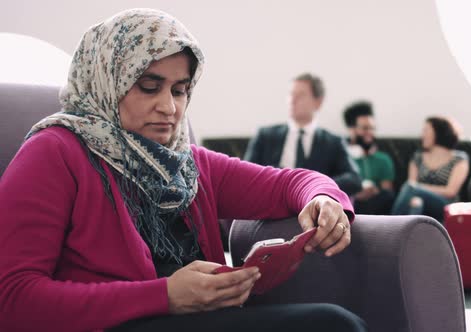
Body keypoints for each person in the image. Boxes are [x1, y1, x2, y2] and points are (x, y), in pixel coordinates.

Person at [0, 9, 367, 332]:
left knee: (335, 322)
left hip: (199, 320)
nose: (169, 108)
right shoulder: (55, 151)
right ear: (107, 82)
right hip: (113, 325)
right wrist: (164, 297)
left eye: (179, 90)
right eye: (148, 87)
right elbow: (11, 299)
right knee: (333, 324)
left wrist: (323, 199)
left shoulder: (187, 164)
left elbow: (292, 182)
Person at [244, 73, 362, 196]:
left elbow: (354, 180)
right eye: (291, 94)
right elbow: (246, 175)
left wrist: (317, 184)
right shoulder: (265, 136)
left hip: (312, 204)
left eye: (300, 95)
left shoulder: (333, 142)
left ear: (318, 102)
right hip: (271, 202)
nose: (292, 100)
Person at [391, 116, 469, 223]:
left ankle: (390, 226)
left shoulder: (459, 159)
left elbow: (451, 191)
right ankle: (408, 237)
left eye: (426, 130)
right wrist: (417, 189)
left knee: (411, 188)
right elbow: (412, 184)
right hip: (420, 199)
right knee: (416, 202)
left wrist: (419, 188)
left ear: (438, 132)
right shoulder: (417, 157)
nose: (422, 135)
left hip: (445, 203)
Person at [343, 101, 395, 215]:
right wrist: (356, 195)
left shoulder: (383, 159)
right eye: (365, 128)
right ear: (352, 130)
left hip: (375, 205)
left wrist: (375, 191)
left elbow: (388, 191)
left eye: (372, 128)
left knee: (387, 195)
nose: (370, 133)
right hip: (350, 204)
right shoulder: (342, 157)